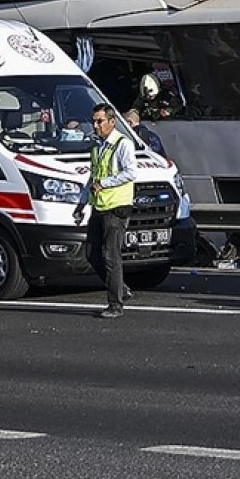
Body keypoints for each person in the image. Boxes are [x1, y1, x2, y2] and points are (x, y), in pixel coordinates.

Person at [85, 104, 138, 319]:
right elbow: (93, 177)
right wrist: (81, 204)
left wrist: (105, 184)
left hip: (117, 207)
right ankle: (121, 290)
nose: (96, 125)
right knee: (91, 253)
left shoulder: (123, 144)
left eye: (100, 121)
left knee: (111, 256)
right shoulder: (98, 146)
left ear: (112, 121)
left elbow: (130, 172)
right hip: (99, 205)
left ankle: (116, 304)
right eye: (94, 121)